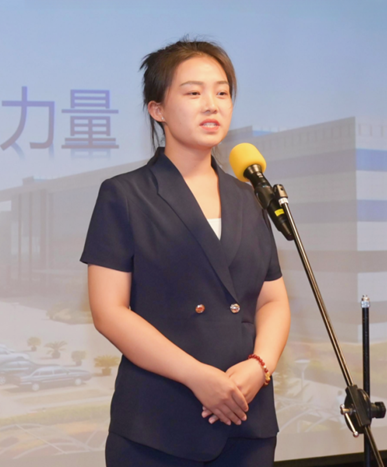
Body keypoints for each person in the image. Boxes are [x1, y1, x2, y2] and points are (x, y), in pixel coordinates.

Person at [79, 37, 291, 466]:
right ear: (157, 109)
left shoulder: (250, 196)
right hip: (158, 427)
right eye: (193, 93)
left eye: (222, 92)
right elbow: (109, 312)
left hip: (247, 423)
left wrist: (260, 365)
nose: (212, 105)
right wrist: (197, 377)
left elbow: (273, 299)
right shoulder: (125, 195)